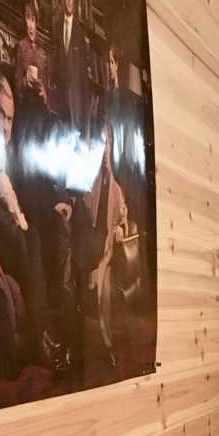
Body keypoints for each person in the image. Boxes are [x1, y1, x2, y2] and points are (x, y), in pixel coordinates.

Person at [84, 120, 128, 367]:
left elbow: (123, 216)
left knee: (106, 283)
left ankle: (108, 345)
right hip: (88, 250)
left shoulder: (116, 189)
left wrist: (120, 228)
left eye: (108, 143)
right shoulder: (87, 185)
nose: (104, 150)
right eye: (100, 143)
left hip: (106, 253)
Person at [53, 0, 89, 139]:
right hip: (60, 114)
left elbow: (84, 85)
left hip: (76, 118)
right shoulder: (56, 27)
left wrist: (85, 129)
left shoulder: (80, 35)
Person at [13, 0, 50, 114]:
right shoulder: (21, 47)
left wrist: (44, 93)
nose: (30, 24)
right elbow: (17, 87)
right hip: (26, 108)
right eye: (27, 17)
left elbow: (46, 88)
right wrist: (25, 81)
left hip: (41, 110)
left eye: (33, 19)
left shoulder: (43, 52)